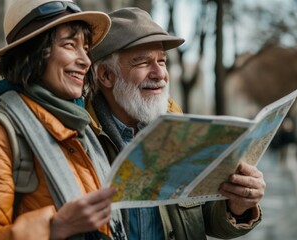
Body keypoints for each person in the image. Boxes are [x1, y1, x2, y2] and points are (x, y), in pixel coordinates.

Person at [86, 7, 266, 240]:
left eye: (162, 61)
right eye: (142, 62)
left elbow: (206, 218)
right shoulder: (80, 140)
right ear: (106, 76)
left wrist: (237, 206)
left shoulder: (184, 135)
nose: (160, 73)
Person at [0, 0, 127, 239]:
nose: (85, 60)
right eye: (70, 45)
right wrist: (54, 227)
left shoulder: (82, 129)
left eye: (86, 48)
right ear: (33, 52)